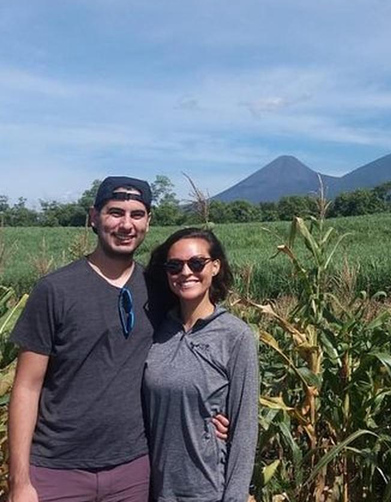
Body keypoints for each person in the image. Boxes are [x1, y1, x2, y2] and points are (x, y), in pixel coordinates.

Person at [7, 177, 230, 502]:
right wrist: (19, 481)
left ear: (148, 221)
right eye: (115, 213)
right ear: (94, 217)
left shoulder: (161, 289)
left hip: (134, 470)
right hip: (57, 469)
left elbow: (195, 348)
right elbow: (27, 386)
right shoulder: (55, 290)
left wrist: (210, 413)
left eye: (137, 214)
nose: (126, 224)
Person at [143, 227, 258, 501]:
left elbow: (245, 426)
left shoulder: (235, 335)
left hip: (206, 489)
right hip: (152, 488)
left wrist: (235, 496)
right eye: (175, 265)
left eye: (196, 263)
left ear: (215, 266)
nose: (185, 272)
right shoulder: (155, 329)